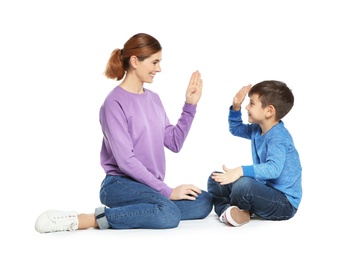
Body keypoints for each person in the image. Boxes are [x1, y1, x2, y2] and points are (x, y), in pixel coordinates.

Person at [35, 33, 213, 233]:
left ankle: (143, 210)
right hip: (119, 185)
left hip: (149, 186)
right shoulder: (114, 103)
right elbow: (126, 161)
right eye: (155, 62)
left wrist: (190, 105)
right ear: (135, 61)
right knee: (169, 213)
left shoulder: (153, 99)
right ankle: (88, 219)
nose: (159, 69)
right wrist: (168, 192)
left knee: (204, 202)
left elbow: (174, 142)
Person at [207, 80, 302, 227]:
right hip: (264, 191)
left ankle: (239, 211)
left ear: (269, 111)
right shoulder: (257, 129)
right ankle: (231, 212)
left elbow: (273, 169)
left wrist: (241, 170)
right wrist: (236, 107)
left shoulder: (279, 137)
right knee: (215, 179)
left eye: (251, 103)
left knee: (244, 184)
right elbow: (236, 129)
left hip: (284, 203)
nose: (247, 107)